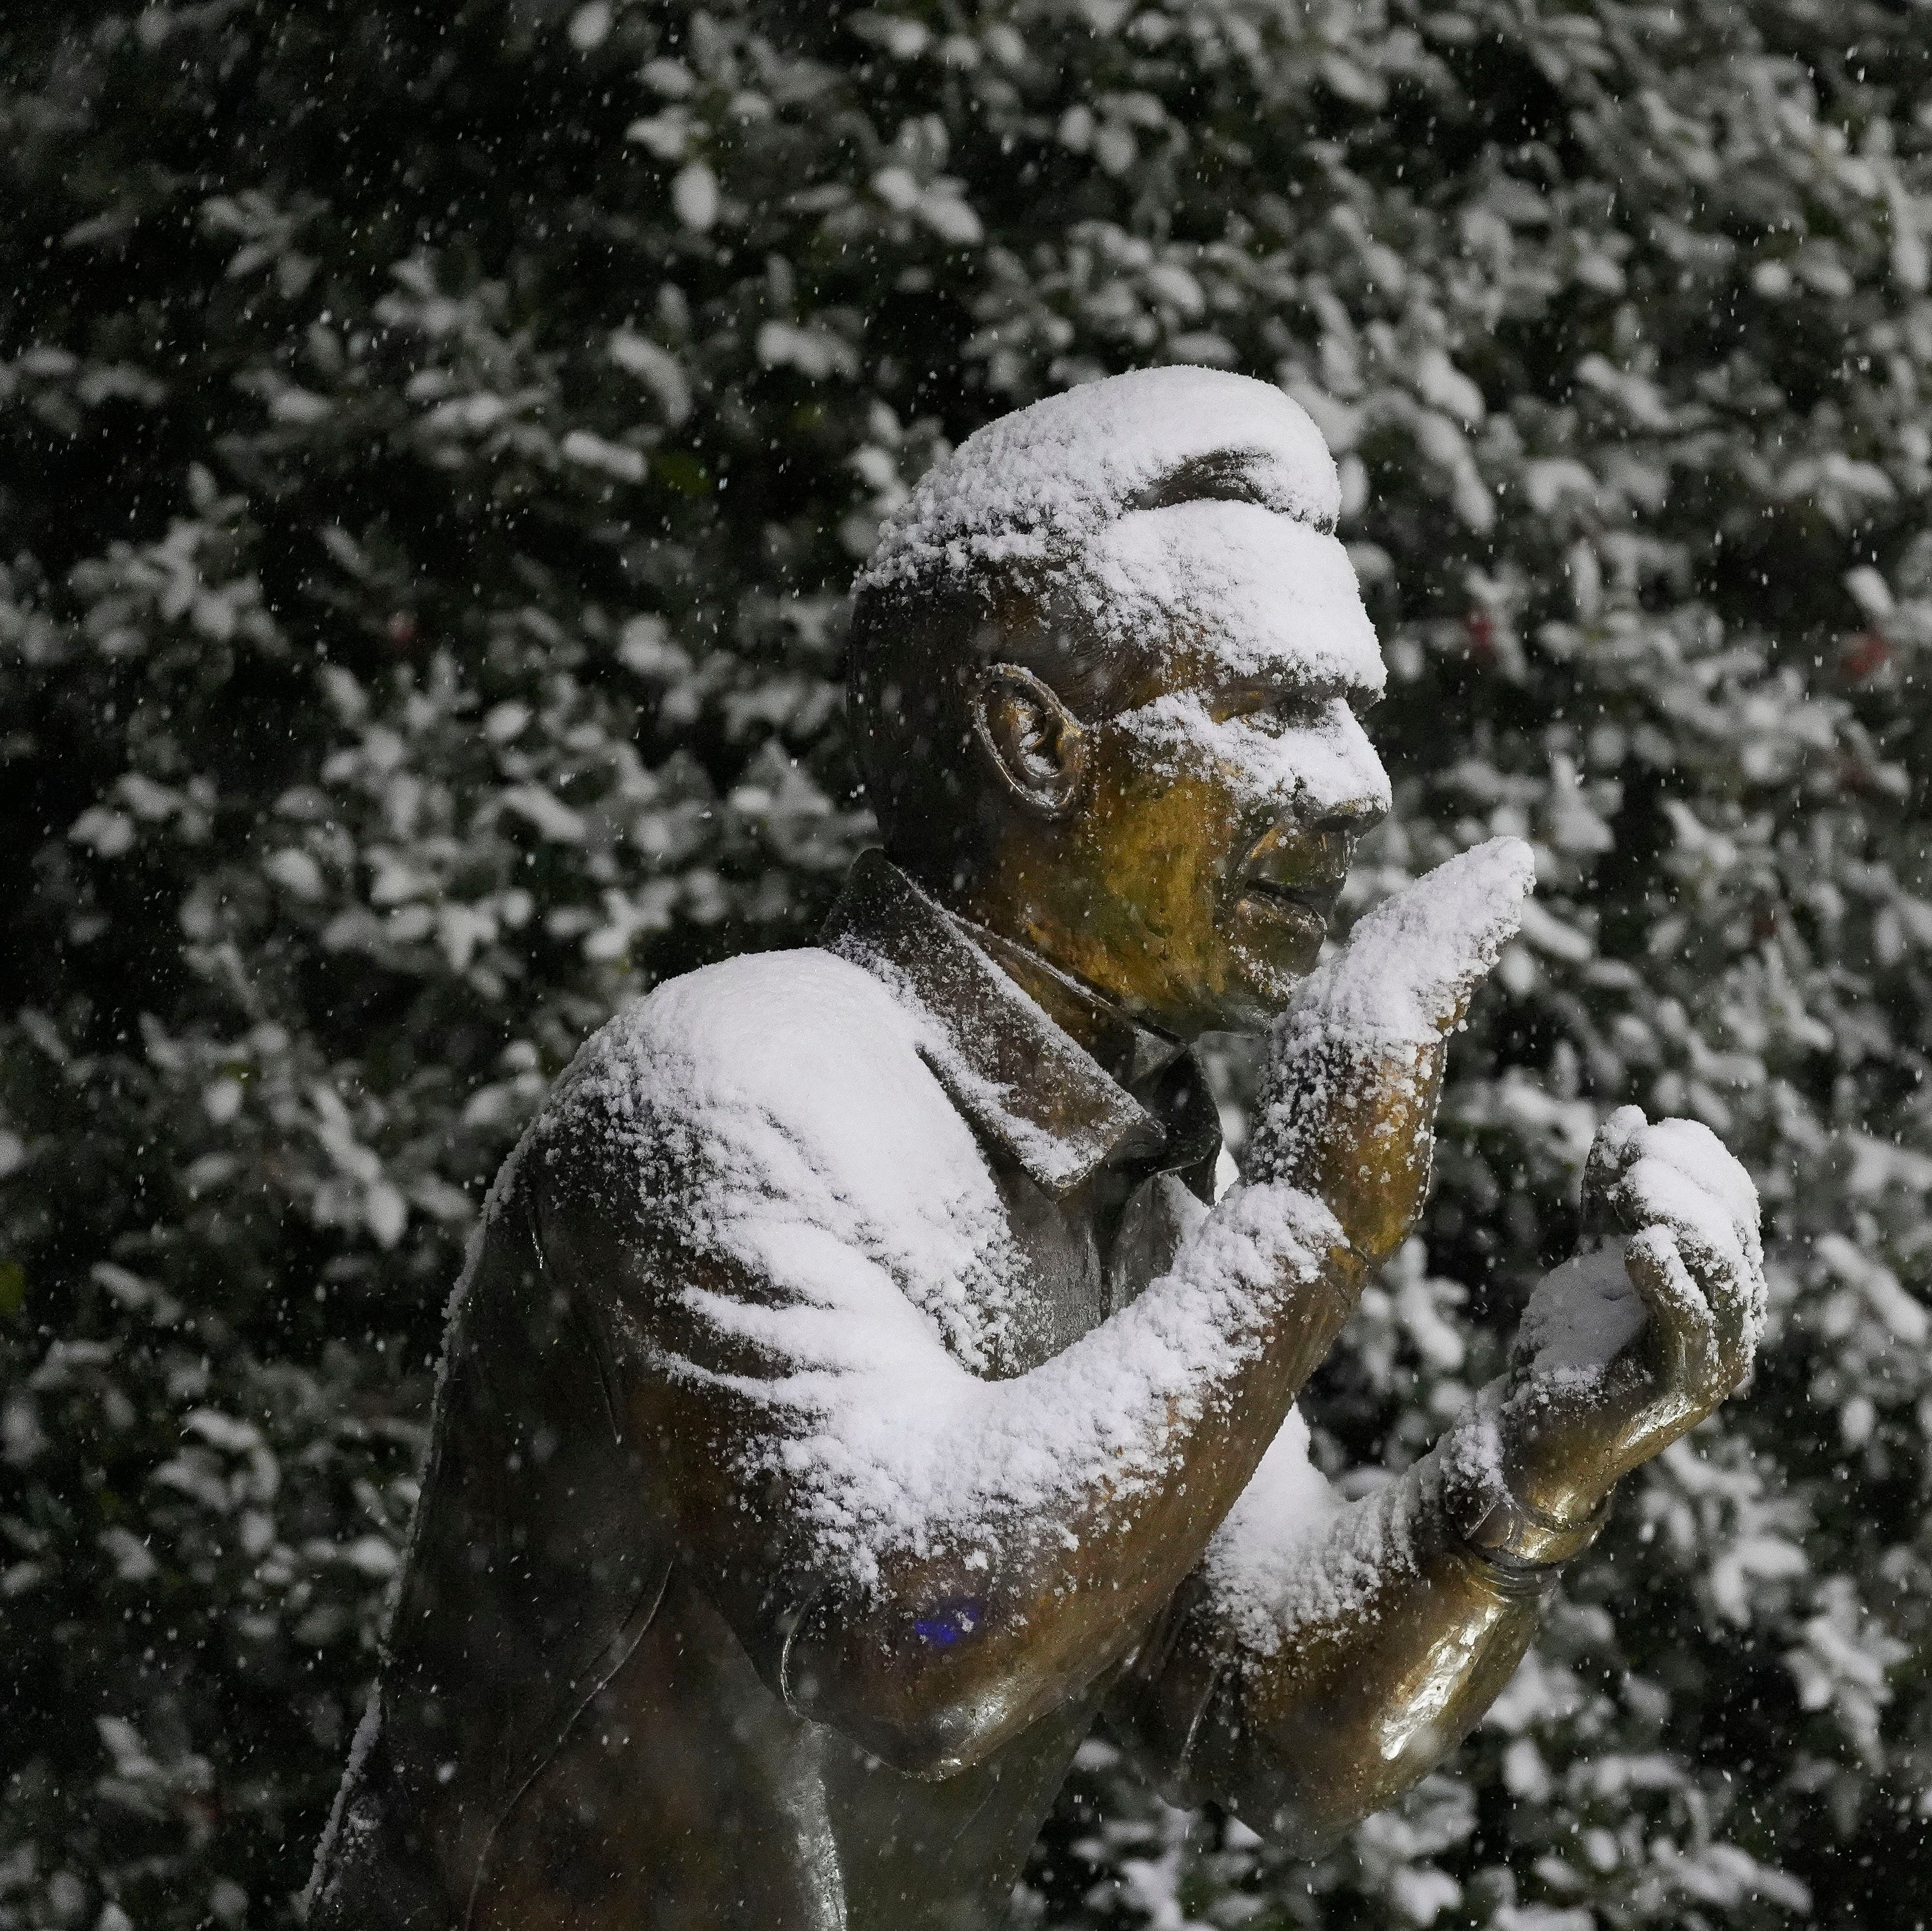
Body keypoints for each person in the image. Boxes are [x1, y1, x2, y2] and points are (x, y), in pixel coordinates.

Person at [306, 366, 1765, 1928]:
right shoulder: (727, 1097)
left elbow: (1262, 1726)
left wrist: (1541, 1463)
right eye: (1275, 706)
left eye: (1355, 713)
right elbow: (913, 1641)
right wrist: (1315, 1214)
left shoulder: (1138, 1194)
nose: (1360, 784)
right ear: (1033, 739)